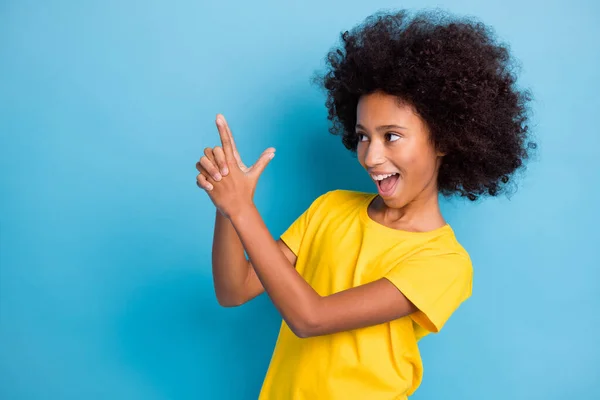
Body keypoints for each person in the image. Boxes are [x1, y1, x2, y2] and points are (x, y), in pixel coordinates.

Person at [195, 8, 535, 400]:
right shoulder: (331, 209)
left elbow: (311, 317)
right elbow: (233, 290)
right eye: (362, 136)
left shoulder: (443, 262)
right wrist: (227, 207)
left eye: (391, 136)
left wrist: (243, 210)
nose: (370, 156)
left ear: (444, 140)